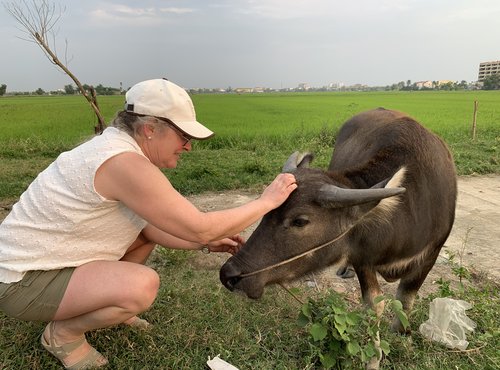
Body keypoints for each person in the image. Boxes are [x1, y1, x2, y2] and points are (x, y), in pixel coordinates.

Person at [0, 78, 297, 369]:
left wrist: (204, 243)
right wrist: (266, 202)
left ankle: (107, 306)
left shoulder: (114, 149)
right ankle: (63, 334)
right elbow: (200, 225)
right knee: (143, 285)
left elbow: (151, 228)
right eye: (184, 137)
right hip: (20, 281)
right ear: (150, 129)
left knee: (143, 237)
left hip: (46, 261)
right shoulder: (123, 163)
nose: (188, 147)